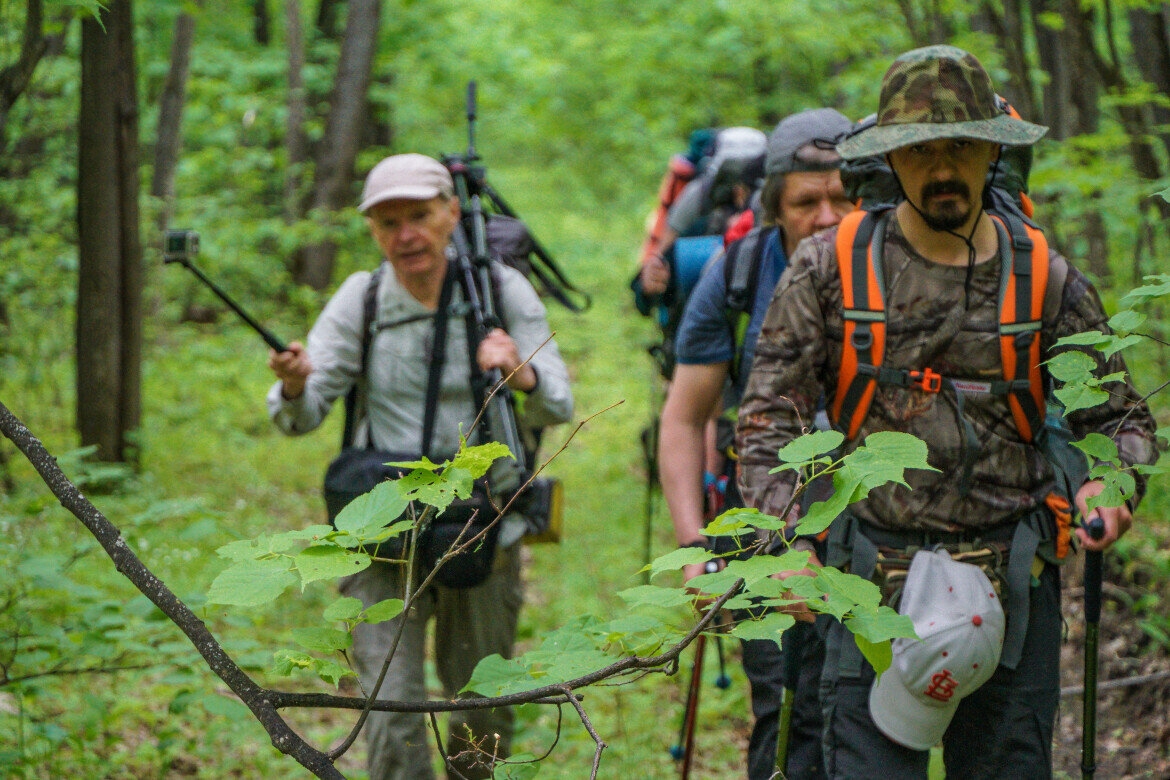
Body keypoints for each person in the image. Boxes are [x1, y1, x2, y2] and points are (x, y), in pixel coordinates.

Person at [735, 46, 1158, 778]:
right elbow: (768, 419)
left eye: (960, 144)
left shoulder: (1044, 275)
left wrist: (1109, 485)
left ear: (991, 150)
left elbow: (1121, 422)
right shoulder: (829, 267)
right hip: (867, 586)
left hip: (1012, 587)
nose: (941, 167)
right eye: (920, 148)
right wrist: (787, 541)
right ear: (889, 158)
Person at [266, 153, 573, 779]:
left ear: (450, 215)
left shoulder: (501, 291)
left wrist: (520, 369)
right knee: (389, 710)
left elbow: (559, 404)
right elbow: (298, 415)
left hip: (482, 525)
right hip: (384, 532)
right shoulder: (364, 296)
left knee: (481, 707)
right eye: (387, 222)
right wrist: (297, 384)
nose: (405, 234)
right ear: (374, 233)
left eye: (419, 216)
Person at [659, 108, 855, 779]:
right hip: (765, 522)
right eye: (806, 201)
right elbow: (686, 418)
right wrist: (692, 547)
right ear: (775, 206)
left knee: (869, 717)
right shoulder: (738, 273)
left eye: (842, 197)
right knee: (786, 710)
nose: (826, 215)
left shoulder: (899, 269)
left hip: (879, 525)